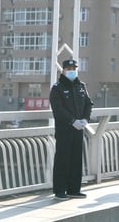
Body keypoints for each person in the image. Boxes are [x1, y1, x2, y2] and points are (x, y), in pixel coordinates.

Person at [49, 59, 93, 200]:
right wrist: (72, 121)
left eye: (74, 68)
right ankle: (60, 190)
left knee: (76, 160)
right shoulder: (57, 88)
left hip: (79, 128)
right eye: (69, 68)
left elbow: (88, 104)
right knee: (62, 160)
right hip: (64, 130)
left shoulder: (81, 86)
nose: (72, 70)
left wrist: (85, 119)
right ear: (63, 70)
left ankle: (74, 189)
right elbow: (58, 109)